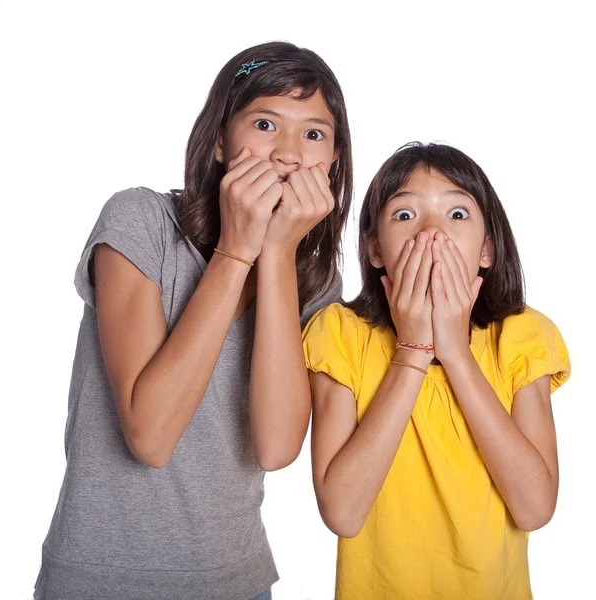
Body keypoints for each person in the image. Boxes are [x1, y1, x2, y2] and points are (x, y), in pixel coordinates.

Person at [34, 41, 353, 600]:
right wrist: (236, 252)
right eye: (264, 123)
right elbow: (150, 436)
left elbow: (277, 448)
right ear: (222, 143)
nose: (288, 153)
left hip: (239, 581)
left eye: (313, 133)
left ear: (332, 162)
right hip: (99, 580)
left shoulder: (315, 278)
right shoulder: (139, 220)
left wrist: (276, 255)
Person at [302, 142, 570, 599]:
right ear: (374, 250)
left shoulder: (523, 335)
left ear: (487, 249)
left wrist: (456, 353)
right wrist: (413, 348)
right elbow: (343, 514)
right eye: (404, 216)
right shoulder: (339, 333)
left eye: (457, 215)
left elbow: (535, 509)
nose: (431, 235)